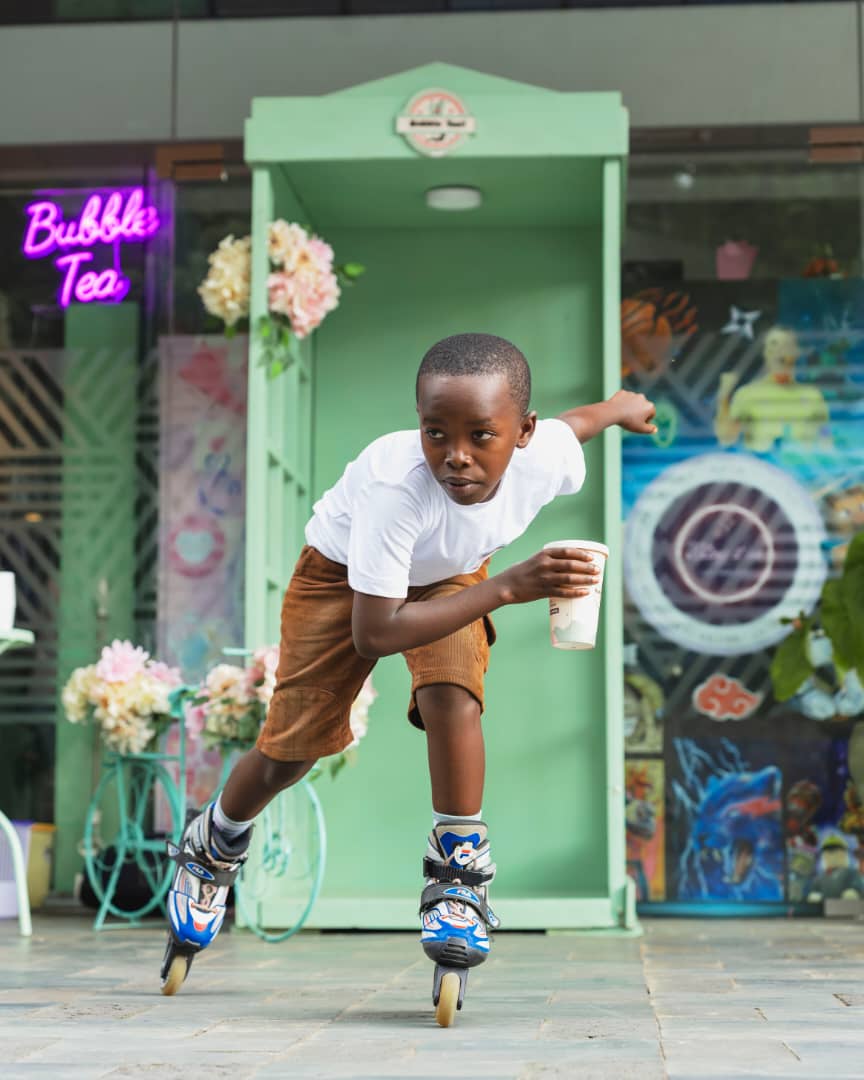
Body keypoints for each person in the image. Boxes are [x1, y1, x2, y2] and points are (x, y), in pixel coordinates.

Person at [160, 332, 657, 1002]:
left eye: (481, 435)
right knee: (291, 753)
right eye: (435, 432)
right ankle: (214, 842)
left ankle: (457, 878)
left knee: (453, 693)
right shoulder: (399, 490)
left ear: (522, 433)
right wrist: (507, 588)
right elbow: (376, 633)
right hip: (345, 587)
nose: (455, 456)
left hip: (450, 577)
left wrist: (620, 405)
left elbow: (577, 425)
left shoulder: (547, 457)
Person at [714, 325, 830, 452]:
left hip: (799, 467)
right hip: (761, 467)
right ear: (766, 353)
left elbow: (826, 437)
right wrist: (723, 398)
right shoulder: (747, 394)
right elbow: (726, 438)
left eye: (786, 345)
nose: (779, 351)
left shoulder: (812, 395)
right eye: (774, 345)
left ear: (796, 352)